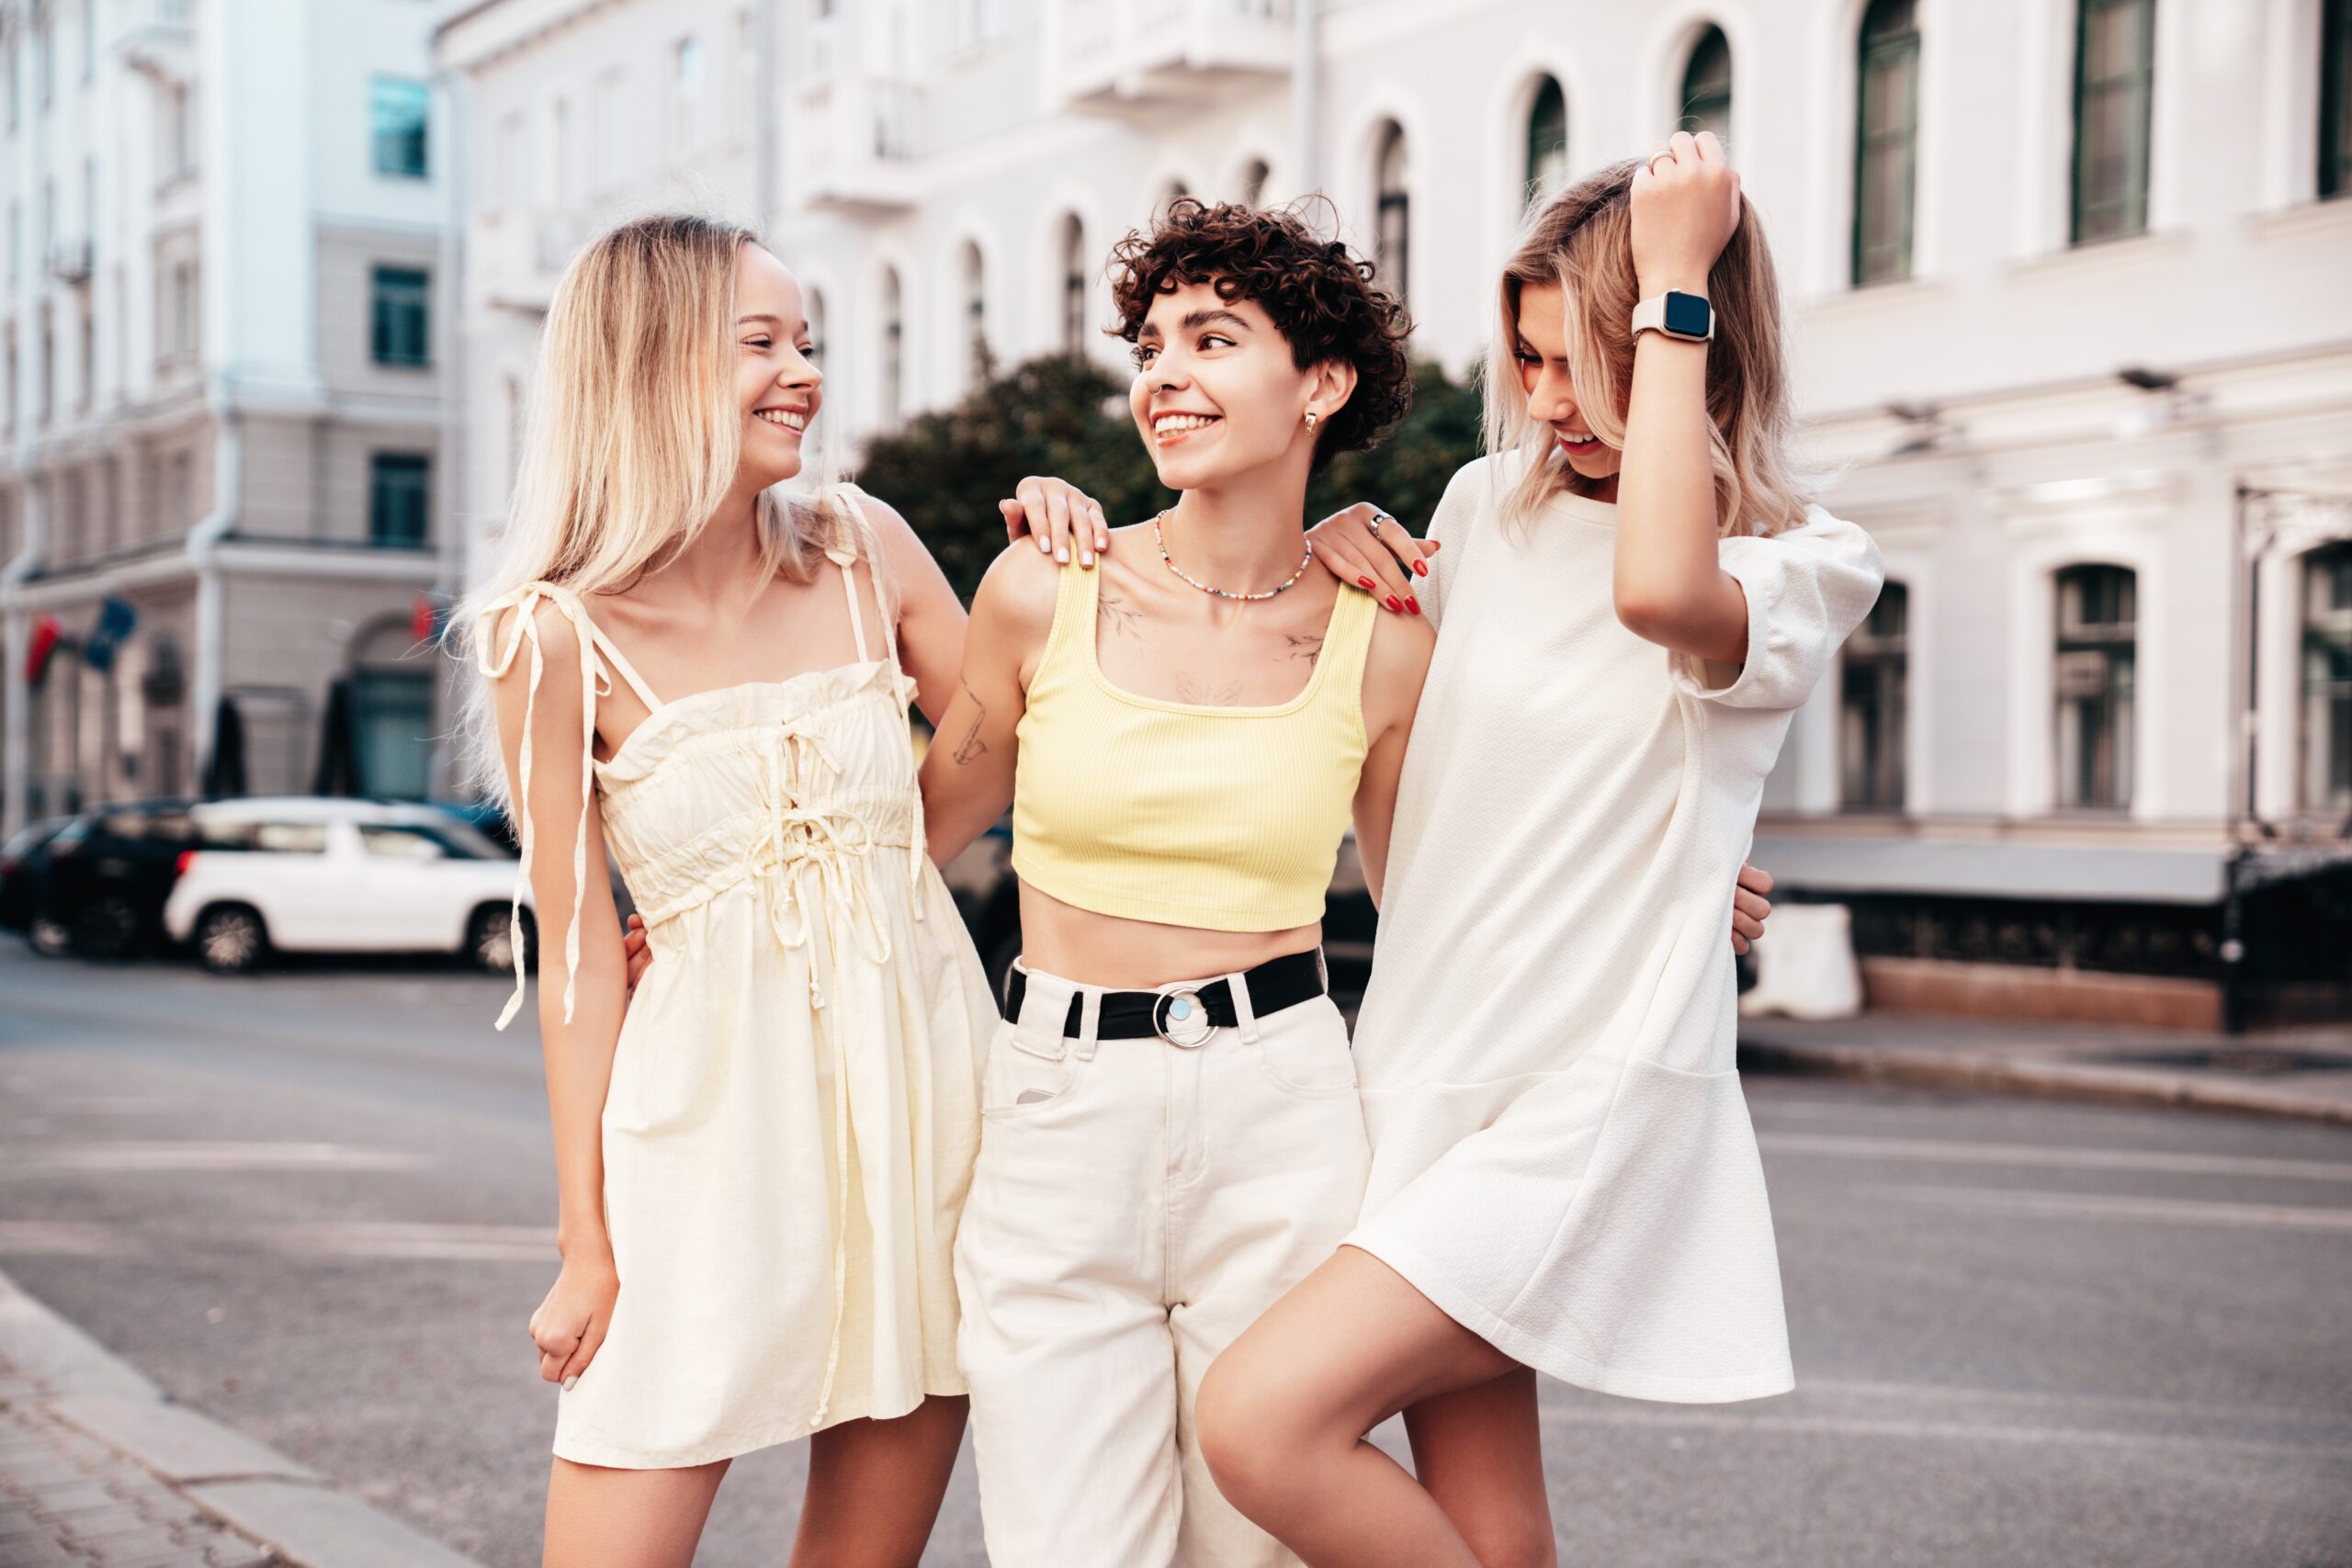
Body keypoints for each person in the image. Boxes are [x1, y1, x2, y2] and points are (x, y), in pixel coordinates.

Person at [1173, 132, 1887, 1568]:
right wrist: (1342, 560)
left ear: (1698, 344)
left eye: (1585, 362)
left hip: (1584, 1091)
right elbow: (1424, 804)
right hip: (1430, 1064)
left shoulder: (1803, 565)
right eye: (1533, 362)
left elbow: (1661, 593)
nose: (1551, 402)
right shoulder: (1480, 514)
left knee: (1259, 1423)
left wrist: (1673, 276)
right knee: (1497, 1535)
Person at [464, 214, 1021, 1568]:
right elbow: (579, 960)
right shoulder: (549, 633)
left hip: (925, 1095)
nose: (804, 374)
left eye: (809, 342)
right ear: (649, 366)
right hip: (701, 1117)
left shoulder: (862, 545)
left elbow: (1005, 744)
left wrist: (1048, 562)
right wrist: (585, 1240)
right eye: (760, 343)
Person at [910, 196, 1433, 1568]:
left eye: (1213, 339)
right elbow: (913, 827)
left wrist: (1684, 881)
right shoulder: (1041, 589)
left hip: (1285, 1106)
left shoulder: (1384, 637)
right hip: (1057, 1108)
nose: (1164, 374)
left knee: (1247, 1542)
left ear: (1319, 384)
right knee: (1066, 1543)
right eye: (1151, 344)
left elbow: (1446, 892)